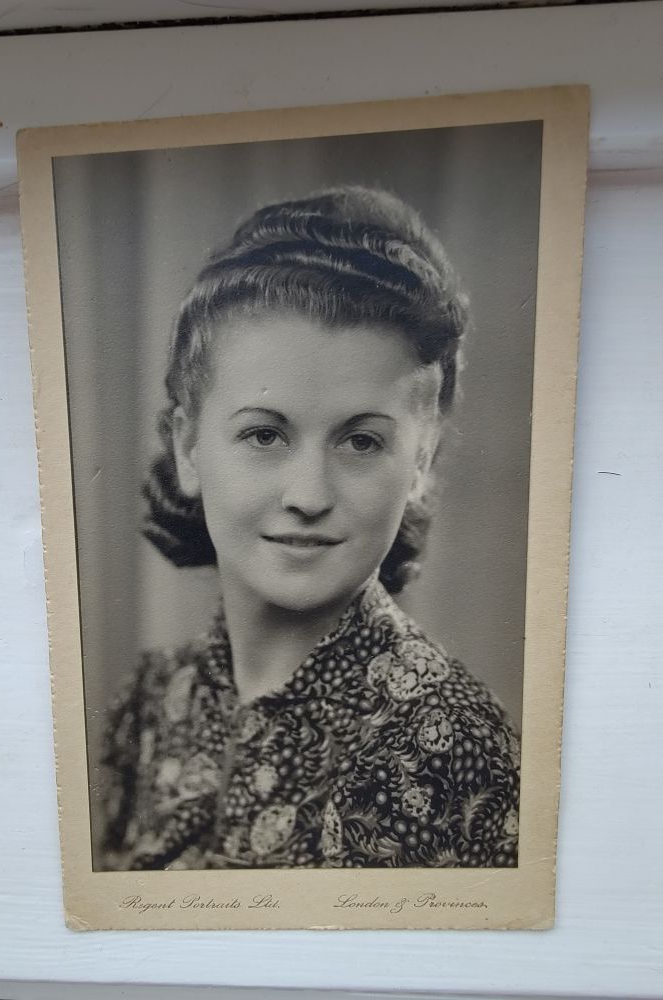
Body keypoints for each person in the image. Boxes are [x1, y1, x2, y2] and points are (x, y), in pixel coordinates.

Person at [101, 185, 520, 871]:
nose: (309, 496)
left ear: (420, 458)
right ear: (188, 447)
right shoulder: (147, 708)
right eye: (265, 435)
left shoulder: (453, 749)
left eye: (360, 442)